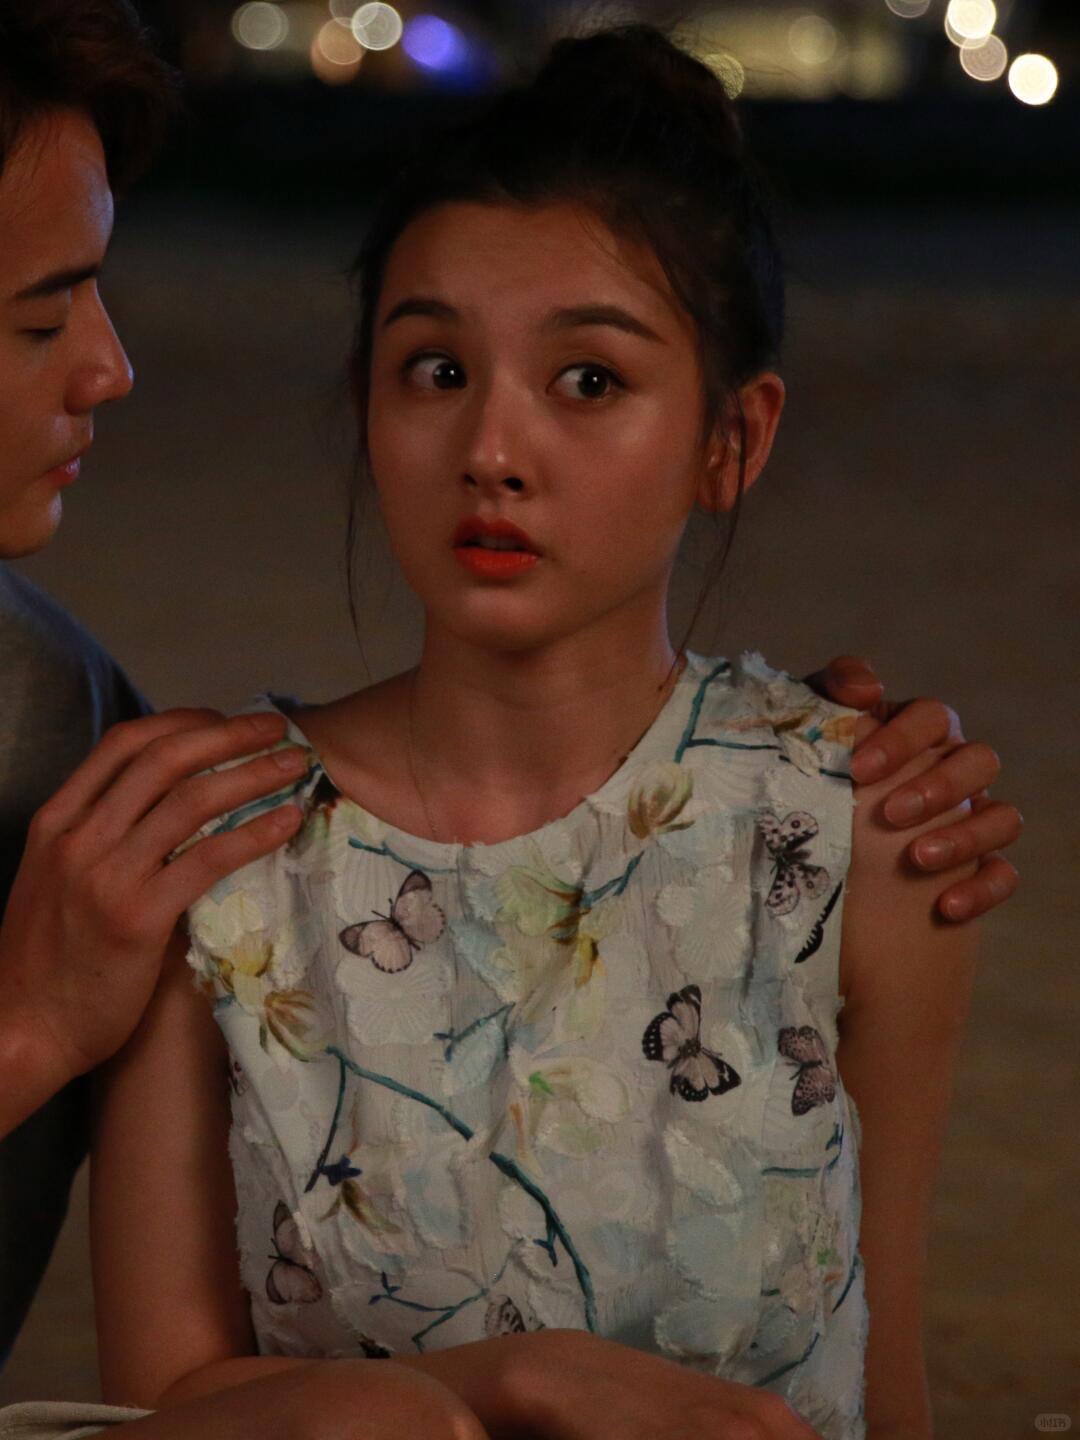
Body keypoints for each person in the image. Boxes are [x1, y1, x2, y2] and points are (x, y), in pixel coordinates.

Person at [0, 6, 1020, 1440]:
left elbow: (880, 1382)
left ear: (732, 438)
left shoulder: (854, 830)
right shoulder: (217, 847)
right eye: (436, 371)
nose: (491, 449)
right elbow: (167, 1409)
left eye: (589, 381)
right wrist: (513, 1384)